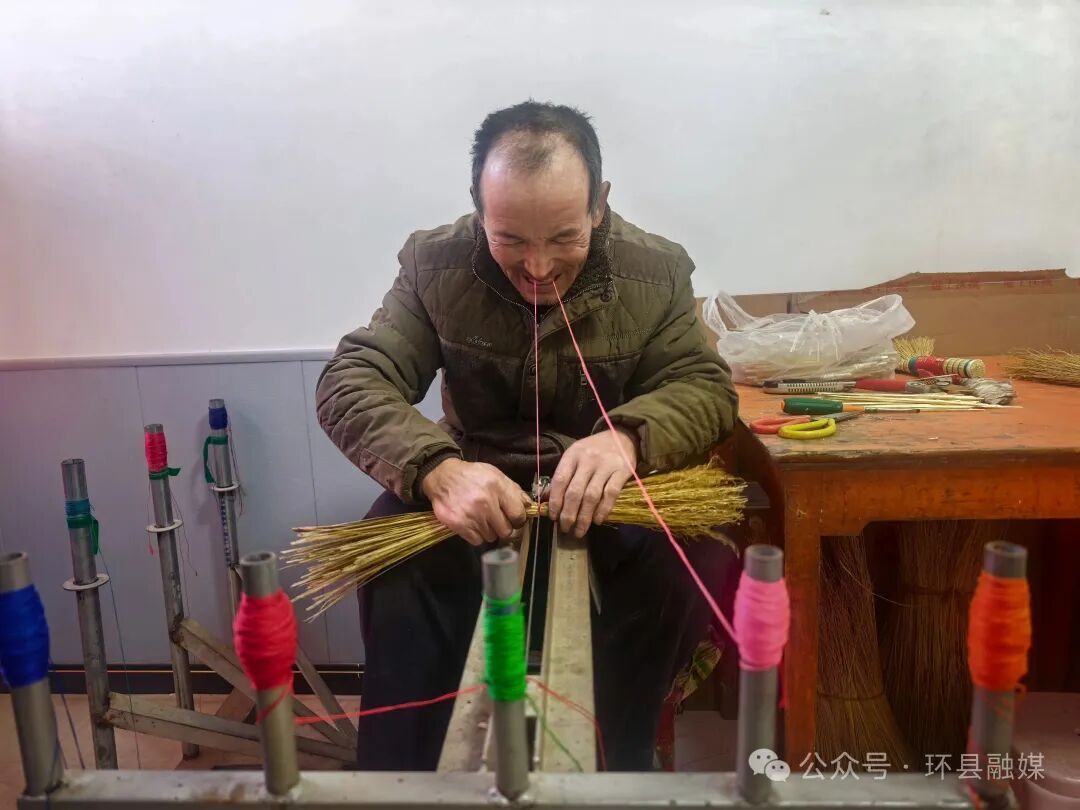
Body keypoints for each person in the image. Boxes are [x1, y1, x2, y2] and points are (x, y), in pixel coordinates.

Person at [317, 101, 739, 771]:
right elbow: (351, 380)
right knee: (396, 572)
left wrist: (628, 438)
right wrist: (437, 470)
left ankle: (615, 764)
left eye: (563, 237)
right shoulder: (433, 264)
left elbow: (705, 387)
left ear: (599, 204)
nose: (538, 267)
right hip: (473, 492)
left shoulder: (656, 272)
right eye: (510, 239)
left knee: (680, 564)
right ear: (478, 208)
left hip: (608, 498)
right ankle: (406, 778)